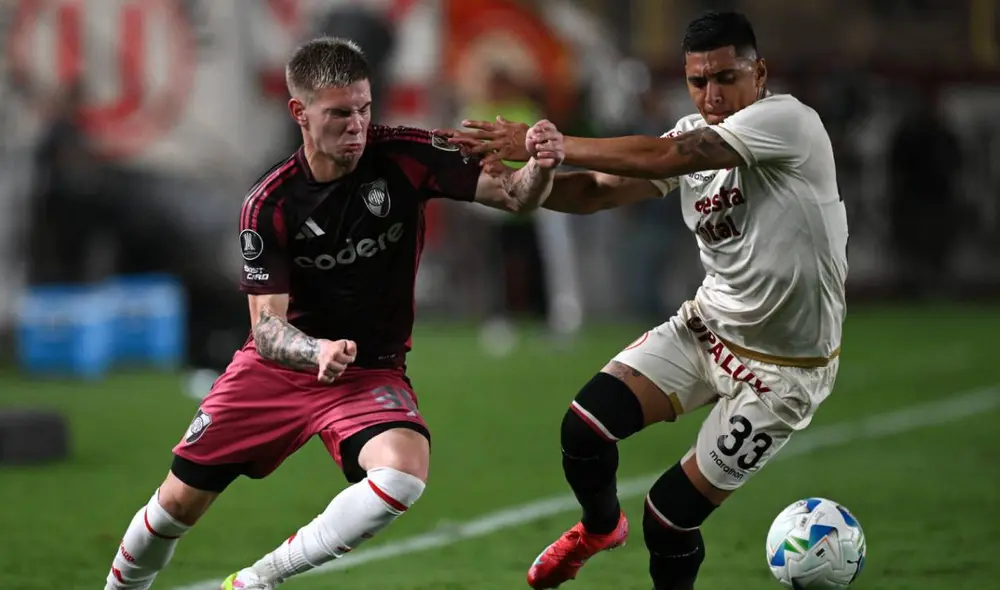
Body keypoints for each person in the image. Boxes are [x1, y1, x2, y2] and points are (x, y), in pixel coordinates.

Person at [103, 37, 565, 590]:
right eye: (340, 113)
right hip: (276, 371)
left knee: (402, 473)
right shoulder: (269, 204)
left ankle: (257, 580)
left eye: (365, 109)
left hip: (367, 370)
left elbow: (514, 196)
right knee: (178, 502)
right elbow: (266, 331)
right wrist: (316, 349)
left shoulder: (405, 156)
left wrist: (541, 167)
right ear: (299, 112)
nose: (358, 125)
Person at [447, 11, 848, 590]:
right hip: (707, 329)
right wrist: (514, 185)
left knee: (667, 518)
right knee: (583, 428)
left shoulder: (788, 122)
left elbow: (673, 158)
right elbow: (596, 193)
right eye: (697, 81)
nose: (711, 96)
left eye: (726, 78)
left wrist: (560, 142)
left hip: (781, 373)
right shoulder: (692, 130)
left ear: (759, 74)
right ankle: (599, 527)